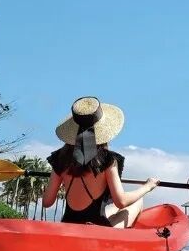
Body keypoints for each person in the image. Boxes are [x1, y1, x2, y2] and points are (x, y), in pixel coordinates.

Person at [42, 96, 159, 228]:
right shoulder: (108, 160)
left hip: (69, 225)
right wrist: (147, 186)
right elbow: (121, 201)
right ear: (101, 131)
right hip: (98, 230)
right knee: (137, 202)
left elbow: (47, 202)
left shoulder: (60, 158)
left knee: (113, 209)